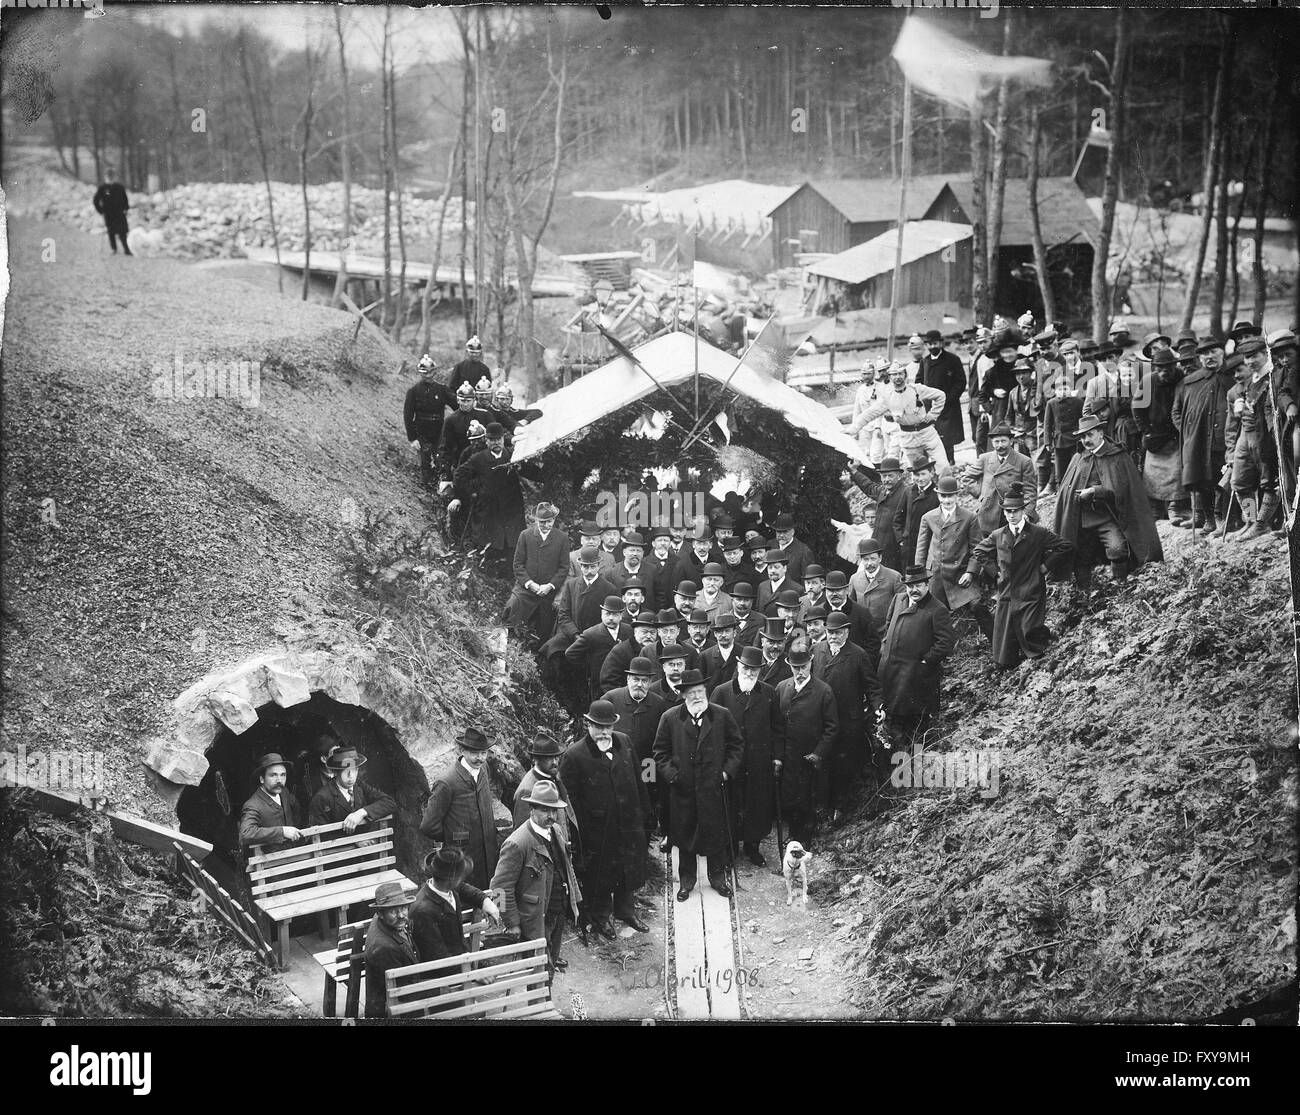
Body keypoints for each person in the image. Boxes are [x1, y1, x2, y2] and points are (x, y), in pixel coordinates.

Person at [559, 701, 652, 937]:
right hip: (597, 831)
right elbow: (571, 802)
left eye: (609, 727)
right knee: (601, 874)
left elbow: (638, 782)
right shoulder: (574, 755)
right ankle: (601, 917)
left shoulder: (625, 742)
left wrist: (646, 815)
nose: (604, 732)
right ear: (588, 724)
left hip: (628, 824)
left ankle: (625, 911)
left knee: (627, 870)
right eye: (599, 727)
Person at [654, 670, 745, 900]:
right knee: (684, 836)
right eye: (691, 692)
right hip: (683, 791)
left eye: (700, 691)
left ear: (706, 692)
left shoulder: (721, 715)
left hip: (714, 789)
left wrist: (726, 772)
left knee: (716, 835)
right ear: (683, 695)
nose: (697, 696)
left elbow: (737, 745)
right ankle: (687, 881)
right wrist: (673, 776)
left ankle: (718, 879)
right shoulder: (670, 718)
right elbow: (659, 753)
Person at [965, 484, 1073, 668]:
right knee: (1005, 645)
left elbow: (1065, 546)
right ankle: (1010, 663)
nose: (1011, 515)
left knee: (1030, 630)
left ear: (1023, 510)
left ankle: (1038, 661)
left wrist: (1045, 567)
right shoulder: (998, 535)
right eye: (1007, 512)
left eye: (1015, 511)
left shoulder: (1038, 533)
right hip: (1006, 589)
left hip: (1031, 588)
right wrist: (995, 572)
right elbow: (979, 551)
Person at [1053, 413, 1164, 588]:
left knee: (1117, 549)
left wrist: (1095, 491)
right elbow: (1066, 491)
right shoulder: (1078, 457)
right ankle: (1084, 596)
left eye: (1089, 435)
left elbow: (1123, 492)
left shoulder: (1117, 456)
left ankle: (1119, 587)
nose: (1086, 440)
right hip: (1081, 520)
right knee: (1080, 557)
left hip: (1108, 518)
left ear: (1100, 433)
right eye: (1082, 436)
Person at [491, 780, 581, 975]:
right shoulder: (517, 843)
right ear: (531, 809)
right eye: (544, 810)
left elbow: (566, 867)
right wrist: (511, 923)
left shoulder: (555, 831)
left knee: (551, 960)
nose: (551, 816)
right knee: (538, 971)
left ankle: (545, 998)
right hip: (533, 921)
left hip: (557, 912)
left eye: (554, 810)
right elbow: (498, 888)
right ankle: (539, 1002)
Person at [711, 645, 784, 866]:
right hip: (730, 762)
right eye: (746, 668)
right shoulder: (722, 692)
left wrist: (778, 757)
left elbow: (779, 728)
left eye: (754, 670)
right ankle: (731, 847)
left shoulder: (768, 692)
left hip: (759, 762)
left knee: (757, 805)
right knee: (730, 804)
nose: (749, 673)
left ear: (760, 671)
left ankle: (753, 847)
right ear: (738, 666)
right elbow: (712, 729)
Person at [877, 566, 955, 754]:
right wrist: (885, 650)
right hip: (892, 674)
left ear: (927, 584)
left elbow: (946, 643)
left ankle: (916, 768)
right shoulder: (898, 599)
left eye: (918, 585)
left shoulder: (937, 609)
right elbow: (888, 626)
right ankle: (895, 768)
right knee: (893, 724)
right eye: (910, 585)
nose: (914, 589)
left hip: (916, 679)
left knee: (915, 727)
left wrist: (926, 661)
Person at [812, 612, 881, 817]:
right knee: (821, 763)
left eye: (838, 632)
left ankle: (840, 808)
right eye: (830, 632)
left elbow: (872, 687)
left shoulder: (858, 654)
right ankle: (821, 808)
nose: (833, 636)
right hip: (821, 719)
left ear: (847, 632)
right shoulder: (816, 650)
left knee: (843, 765)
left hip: (848, 720)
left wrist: (878, 707)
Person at [418, 727, 500, 891]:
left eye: (483, 753)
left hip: (490, 855)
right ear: (462, 750)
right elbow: (428, 826)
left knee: (496, 897)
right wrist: (454, 836)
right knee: (467, 902)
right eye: (475, 753)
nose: (480, 758)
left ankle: (496, 916)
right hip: (462, 858)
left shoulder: (484, 770)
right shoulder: (447, 782)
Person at [773, 644, 837, 848]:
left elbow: (832, 727)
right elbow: (775, 725)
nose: (799, 672)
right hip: (788, 757)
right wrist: (777, 755)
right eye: (795, 667)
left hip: (810, 759)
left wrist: (818, 753)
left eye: (803, 667)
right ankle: (793, 838)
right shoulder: (782, 688)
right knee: (790, 802)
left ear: (811, 663)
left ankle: (805, 843)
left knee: (808, 803)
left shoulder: (823, 690)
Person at [915, 474, 992, 640]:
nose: (947, 499)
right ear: (938, 496)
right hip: (935, 575)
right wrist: (920, 577)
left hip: (960, 574)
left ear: (957, 495)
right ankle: (938, 655)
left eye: (951, 495)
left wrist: (971, 573)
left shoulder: (969, 517)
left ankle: (998, 645)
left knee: (977, 605)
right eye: (943, 495)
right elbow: (921, 550)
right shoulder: (928, 518)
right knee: (930, 615)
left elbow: (977, 549)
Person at [1225, 336, 1283, 540]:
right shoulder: (1254, 377)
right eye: (1246, 358)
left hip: (1264, 435)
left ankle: (1262, 524)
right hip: (1245, 435)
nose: (1249, 362)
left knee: (1270, 481)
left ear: (1265, 354)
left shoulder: (1273, 376)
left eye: (1254, 356)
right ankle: (1250, 521)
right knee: (1239, 482)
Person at [449, 422, 528, 564]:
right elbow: (459, 475)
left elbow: (530, 471)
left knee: (513, 541)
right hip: (489, 508)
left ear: (504, 439)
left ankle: (511, 572)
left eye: (498, 439)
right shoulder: (478, 458)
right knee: (491, 542)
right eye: (492, 440)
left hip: (512, 506)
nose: (496, 443)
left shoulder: (513, 455)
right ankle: (490, 570)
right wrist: (473, 492)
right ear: (486, 441)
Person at [848, 361, 948, 467]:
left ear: (905, 375)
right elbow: (869, 413)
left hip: (927, 433)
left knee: (943, 466)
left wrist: (933, 414)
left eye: (900, 373)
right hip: (907, 436)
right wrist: (854, 428)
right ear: (890, 377)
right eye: (894, 374)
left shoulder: (916, 389)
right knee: (916, 469)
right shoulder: (887, 397)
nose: (898, 377)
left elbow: (940, 395)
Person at [409, 848, 500, 963]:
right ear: (451, 880)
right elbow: (437, 959)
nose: (462, 878)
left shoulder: (446, 887)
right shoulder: (422, 912)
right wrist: (473, 972)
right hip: (445, 974)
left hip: (462, 962)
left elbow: (465, 889)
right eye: (460, 876)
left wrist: (485, 902)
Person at [1133, 349, 1189, 526]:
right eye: (1160, 367)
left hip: (1175, 434)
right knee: (1152, 474)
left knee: (1176, 473)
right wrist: (1146, 430)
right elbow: (1137, 408)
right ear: (1155, 367)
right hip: (1154, 435)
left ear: (1175, 366)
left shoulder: (1182, 379)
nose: (1165, 371)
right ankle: (1155, 509)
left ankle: (1174, 508)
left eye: (1168, 367)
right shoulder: (1148, 381)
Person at [506, 503, 568, 645]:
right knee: (513, 606)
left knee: (546, 625)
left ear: (554, 520)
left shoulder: (562, 538)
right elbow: (518, 565)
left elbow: (563, 568)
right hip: (526, 588)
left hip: (549, 591)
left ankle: (538, 654)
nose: (546, 525)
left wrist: (550, 586)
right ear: (536, 521)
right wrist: (530, 584)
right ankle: (511, 643)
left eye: (550, 521)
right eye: (542, 522)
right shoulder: (525, 535)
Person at [963, 423, 1038, 535]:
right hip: (988, 512)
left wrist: (1026, 513)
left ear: (1011, 441)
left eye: (1003, 441)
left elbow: (1030, 491)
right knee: (989, 545)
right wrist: (982, 496)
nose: (1000, 445)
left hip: (1014, 511)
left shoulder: (1024, 461)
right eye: (996, 442)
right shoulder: (985, 459)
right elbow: (966, 478)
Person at [363, 882, 417, 1018]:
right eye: (393, 911)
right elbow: (404, 991)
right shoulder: (384, 947)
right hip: (390, 1011)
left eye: (404, 908)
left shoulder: (385, 921)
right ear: (380, 913)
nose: (401, 915)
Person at [308, 746, 395, 830]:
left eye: (354, 769)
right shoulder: (322, 798)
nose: (351, 776)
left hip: (367, 841)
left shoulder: (359, 786)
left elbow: (390, 803)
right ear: (335, 771)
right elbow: (322, 835)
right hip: (342, 845)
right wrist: (355, 842)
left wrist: (361, 812)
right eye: (345, 770)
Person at [512, 733, 578, 844]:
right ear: (535, 759)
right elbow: (522, 837)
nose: (555, 762)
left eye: (557, 757)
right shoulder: (527, 790)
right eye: (549, 758)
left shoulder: (553, 776)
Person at [848, 457, 911, 571]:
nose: (886, 479)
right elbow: (869, 487)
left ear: (899, 475)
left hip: (894, 550)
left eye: (890, 476)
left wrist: (902, 542)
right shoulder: (883, 491)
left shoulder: (906, 493)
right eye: (884, 476)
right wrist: (854, 471)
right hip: (878, 547)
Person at [565, 595, 631, 703]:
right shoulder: (591, 634)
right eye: (607, 614)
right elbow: (570, 653)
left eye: (615, 614)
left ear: (621, 616)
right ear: (601, 614)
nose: (610, 618)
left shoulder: (628, 631)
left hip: (624, 682)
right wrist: (589, 667)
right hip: (599, 684)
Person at [403, 357, 454, 486]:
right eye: (424, 373)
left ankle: (440, 485)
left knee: (440, 458)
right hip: (421, 431)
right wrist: (412, 438)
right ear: (420, 373)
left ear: (434, 372)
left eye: (430, 372)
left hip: (438, 430)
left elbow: (456, 405)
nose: (427, 376)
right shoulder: (413, 391)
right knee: (425, 460)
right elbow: (408, 416)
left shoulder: (442, 389)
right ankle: (426, 486)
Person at [920, 330, 967, 464]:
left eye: (935, 343)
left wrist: (949, 398)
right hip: (930, 408)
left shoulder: (953, 359)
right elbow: (919, 382)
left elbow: (960, 382)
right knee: (931, 438)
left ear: (941, 343)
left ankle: (950, 464)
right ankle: (933, 467)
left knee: (947, 439)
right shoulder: (925, 362)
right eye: (929, 344)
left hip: (948, 408)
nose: (932, 347)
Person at [239, 753, 303, 850]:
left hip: (294, 855)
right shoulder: (253, 805)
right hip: (270, 862)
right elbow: (245, 834)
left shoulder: (284, 793)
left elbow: (297, 812)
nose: (279, 780)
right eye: (273, 775)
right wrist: (282, 831)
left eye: (283, 775)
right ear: (262, 779)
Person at [1041, 363, 1086, 495]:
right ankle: (1061, 488)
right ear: (1055, 391)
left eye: (1066, 389)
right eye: (1059, 389)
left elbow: (1082, 419)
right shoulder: (1051, 403)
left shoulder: (1077, 402)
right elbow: (1047, 424)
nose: (1063, 392)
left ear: (1070, 389)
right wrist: (1047, 442)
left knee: (1076, 462)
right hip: (1060, 440)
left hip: (1075, 438)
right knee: (1060, 466)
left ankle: (1076, 486)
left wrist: (1082, 436)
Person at [824, 570, 882, 665]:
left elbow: (873, 645)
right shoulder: (820, 613)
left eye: (838, 590)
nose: (834, 594)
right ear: (825, 591)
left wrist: (861, 665)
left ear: (847, 590)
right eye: (830, 590)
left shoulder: (862, 613)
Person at [598, 609, 662, 694]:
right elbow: (608, 682)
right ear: (635, 632)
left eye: (652, 632)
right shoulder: (621, 651)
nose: (649, 636)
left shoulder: (659, 651)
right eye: (644, 632)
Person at [849, 538, 905, 630]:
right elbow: (851, 607)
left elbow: (902, 606)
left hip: (886, 631)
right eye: (866, 559)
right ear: (861, 560)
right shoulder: (854, 579)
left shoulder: (894, 577)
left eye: (873, 559)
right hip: (864, 633)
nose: (869, 563)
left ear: (880, 558)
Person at [897, 455, 940, 569]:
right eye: (916, 475)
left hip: (927, 545)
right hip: (909, 545)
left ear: (931, 473)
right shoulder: (908, 491)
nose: (920, 478)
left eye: (923, 474)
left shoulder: (937, 495)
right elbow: (898, 518)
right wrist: (901, 539)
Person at [769, 513, 816, 584]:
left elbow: (807, 581)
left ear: (793, 531)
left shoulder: (804, 551)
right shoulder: (770, 545)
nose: (781, 535)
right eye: (779, 531)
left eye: (785, 532)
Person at [93, 172, 132, 255]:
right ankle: (114, 248)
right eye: (108, 176)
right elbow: (96, 200)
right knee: (111, 232)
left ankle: (126, 249)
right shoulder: (102, 188)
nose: (110, 178)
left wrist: (126, 208)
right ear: (105, 177)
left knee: (122, 232)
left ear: (114, 177)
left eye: (112, 176)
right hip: (108, 214)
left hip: (119, 213)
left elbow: (125, 199)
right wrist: (100, 210)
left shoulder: (120, 187)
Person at [700, 612, 741, 689]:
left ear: (734, 633)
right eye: (720, 631)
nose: (723, 635)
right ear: (715, 634)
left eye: (727, 631)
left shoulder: (742, 653)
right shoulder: (705, 656)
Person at [756, 550, 803, 616]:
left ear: (784, 568)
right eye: (770, 567)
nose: (772, 571)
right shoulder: (762, 586)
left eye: (776, 567)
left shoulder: (796, 589)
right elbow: (757, 611)